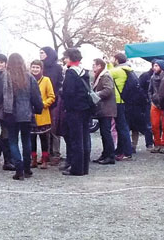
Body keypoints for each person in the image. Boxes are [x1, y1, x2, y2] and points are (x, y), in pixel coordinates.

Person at [0, 53, 43, 180]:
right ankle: (27, 169)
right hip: (26, 113)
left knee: (13, 141)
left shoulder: (4, 76)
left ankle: (19, 169)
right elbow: (36, 96)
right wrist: (38, 109)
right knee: (26, 140)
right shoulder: (29, 77)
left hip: (10, 113)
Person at [61, 48, 94, 176]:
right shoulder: (85, 72)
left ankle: (76, 168)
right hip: (85, 108)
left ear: (70, 58)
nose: (64, 60)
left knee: (76, 139)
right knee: (85, 138)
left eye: (66, 57)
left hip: (74, 109)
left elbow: (68, 92)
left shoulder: (70, 73)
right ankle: (84, 167)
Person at [40, 47, 64, 166]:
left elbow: (59, 83)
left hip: (54, 101)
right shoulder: (40, 67)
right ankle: (46, 153)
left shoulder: (57, 67)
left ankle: (56, 153)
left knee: (54, 128)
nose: (40, 55)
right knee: (44, 128)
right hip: (42, 102)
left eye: (42, 53)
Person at [29, 60, 56, 169]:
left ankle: (45, 160)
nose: (35, 70)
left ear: (41, 69)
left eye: (37, 67)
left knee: (44, 138)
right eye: (33, 67)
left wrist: (43, 104)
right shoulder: (28, 79)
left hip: (43, 114)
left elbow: (51, 96)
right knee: (31, 139)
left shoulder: (46, 80)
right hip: (30, 114)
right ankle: (33, 159)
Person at [91, 58, 117, 164]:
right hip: (103, 108)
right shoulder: (100, 76)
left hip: (106, 108)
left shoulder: (105, 76)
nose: (92, 67)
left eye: (94, 65)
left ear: (99, 66)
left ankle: (110, 156)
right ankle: (105, 154)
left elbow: (108, 90)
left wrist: (95, 95)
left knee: (106, 132)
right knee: (104, 132)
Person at [108, 53, 134, 160]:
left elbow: (107, 73)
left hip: (118, 101)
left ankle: (127, 152)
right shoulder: (127, 69)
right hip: (125, 101)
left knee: (122, 127)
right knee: (121, 126)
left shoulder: (118, 71)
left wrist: (109, 63)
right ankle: (121, 150)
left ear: (117, 60)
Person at [149, 59, 164, 153]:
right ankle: (156, 144)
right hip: (154, 104)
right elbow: (150, 90)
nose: (154, 67)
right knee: (154, 125)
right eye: (154, 66)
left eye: (157, 66)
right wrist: (152, 98)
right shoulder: (152, 77)